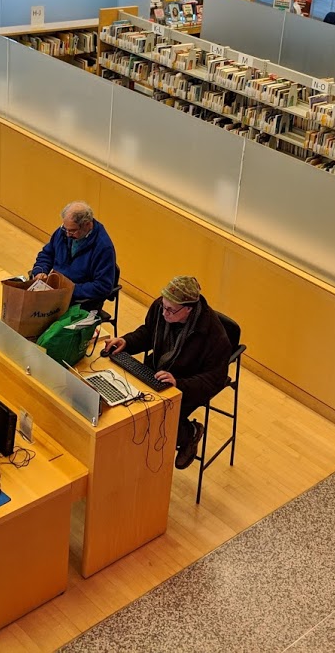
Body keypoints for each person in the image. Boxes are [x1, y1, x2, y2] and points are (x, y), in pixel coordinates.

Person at [102, 275, 231, 470]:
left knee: (155, 418)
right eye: (163, 306)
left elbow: (215, 379)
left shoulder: (214, 335)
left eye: (170, 310)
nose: (164, 313)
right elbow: (148, 332)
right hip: (159, 371)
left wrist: (179, 383)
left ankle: (189, 432)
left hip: (188, 383)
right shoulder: (162, 307)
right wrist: (126, 342)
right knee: (129, 408)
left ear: (188, 308)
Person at [30, 201, 117, 315]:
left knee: (37, 319)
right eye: (65, 229)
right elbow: (47, 254)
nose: (67, 234)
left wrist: (69, 290)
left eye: (72, 230)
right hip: (56, 292)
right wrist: (40, 271)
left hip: (80, 302)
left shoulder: (103, 247)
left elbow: (102, 286)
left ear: (87, 224)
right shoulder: (63, 232)